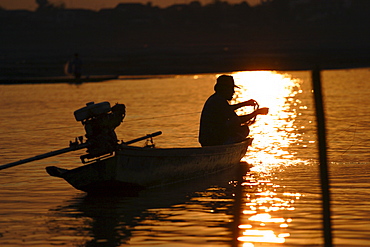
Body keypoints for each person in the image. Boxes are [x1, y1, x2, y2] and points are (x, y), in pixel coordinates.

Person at [199, 75, 268, 146]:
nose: (233, 92)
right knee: (244, 129)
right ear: (224, 89)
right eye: (231, 89)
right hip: (212, 140)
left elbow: (227, 109)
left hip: (206, 140)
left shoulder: (216, 99)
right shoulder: (218, 101)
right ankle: (227, 145)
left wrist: (245, 104)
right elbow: (238, 120)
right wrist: (256, 112)